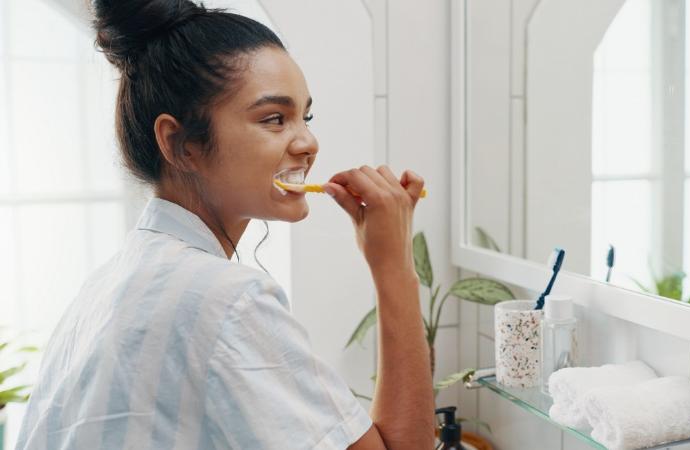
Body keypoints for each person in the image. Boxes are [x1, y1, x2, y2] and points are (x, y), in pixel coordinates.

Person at [15, 1, 433, 448]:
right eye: (275, 118)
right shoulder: (226, 300)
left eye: (304, 117)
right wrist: (393, 268)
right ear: (181, 144)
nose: (309, 142)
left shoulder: (106, 286)